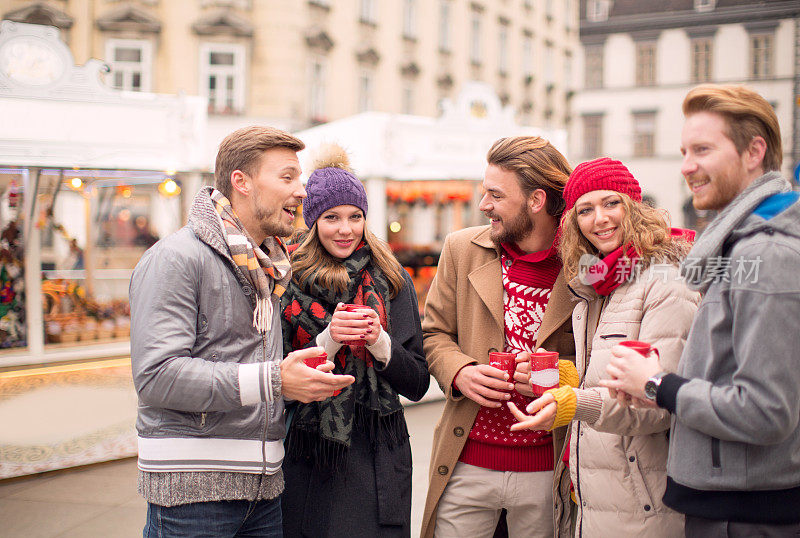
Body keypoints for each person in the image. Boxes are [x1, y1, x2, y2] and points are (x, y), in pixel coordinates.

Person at [130, 126, 354, 537]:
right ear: (242, 182)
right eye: (287, 177)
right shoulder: (176, 258)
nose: (302, 191)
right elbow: (156, 377)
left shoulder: (267, 265)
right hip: (192, 498)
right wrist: (274, 380)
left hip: (264, 493)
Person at [602, 84, 800, 536]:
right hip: (735, 501)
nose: (687, 166)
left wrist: (657, 384)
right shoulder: (745, 246)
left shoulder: (769, 256)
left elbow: (767, 410)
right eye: (684, 151)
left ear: (754, 151)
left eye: (703, 150)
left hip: (746, 515)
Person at [507, 158, 700, 536]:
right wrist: (563, 377)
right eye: (585, 209)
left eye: (611, 203)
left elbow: (658, 401)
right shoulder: (597, 284)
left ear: (634, 208)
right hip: (598, 497)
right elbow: (608, 375)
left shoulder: (665, 282)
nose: (600, 219)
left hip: (644, 502)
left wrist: (574, 403)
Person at [420, 136, 579, 538]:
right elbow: (435, 333)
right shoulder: (461, 248)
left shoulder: (584, 264)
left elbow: (603, 355)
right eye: (483, 192)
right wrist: (460, 372)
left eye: (495, 194)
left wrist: (564, 377)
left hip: (550, 465)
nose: (483, 205)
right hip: (467, 459)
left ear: (536, 200)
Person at [280, 144, 430, 537]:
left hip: (380, 453)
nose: (345, 229)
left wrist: (379, 342)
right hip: (312, 456)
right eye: (332, 218)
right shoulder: (286, 278)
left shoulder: (391, 278)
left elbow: (417, 383)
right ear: (312, 221)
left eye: (355, 216)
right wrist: (329, 340)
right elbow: (279, 382)